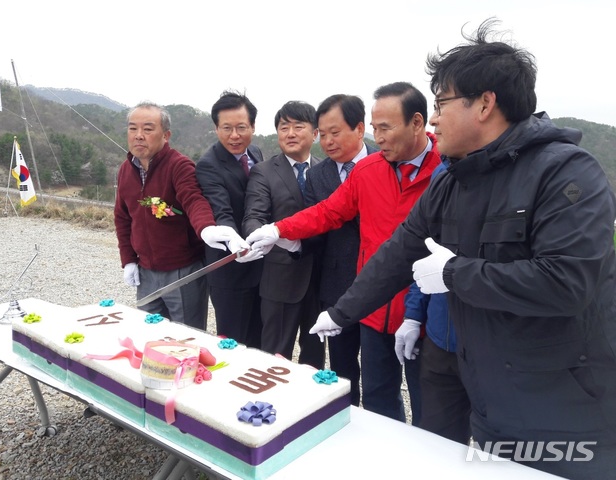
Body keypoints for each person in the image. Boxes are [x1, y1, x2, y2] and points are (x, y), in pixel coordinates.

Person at [309, 19, 616, 479]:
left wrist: (454, 274)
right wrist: (341, 313)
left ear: (485, 104)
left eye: (440, 104)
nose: (433, 118)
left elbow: (566, 283)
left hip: (563, 401)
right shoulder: (453, 178)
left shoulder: (568, 174)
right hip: (488, 389)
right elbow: (401, 250)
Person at [247, 83, 442, 422]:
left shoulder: (445, 172)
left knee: (431, 410)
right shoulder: (368, 171)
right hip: (372, 307)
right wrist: (277, 230)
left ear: (416, 122)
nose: (379, 138)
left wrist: (417, 314)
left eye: (385, 128)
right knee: (379, 400)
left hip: (424, 314)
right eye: (376, 127)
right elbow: (327, 212)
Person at [115, 101, 246, 329]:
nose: (138, 136)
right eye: (132, 128)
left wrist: (207, 229)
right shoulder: (126, 170)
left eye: (147, 129)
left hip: (183, 271)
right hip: (145, 272)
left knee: (186, 338)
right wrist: (128, 261)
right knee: (147, 334)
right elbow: (123, 218)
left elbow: (193, 199)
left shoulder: (179, 166)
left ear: (165, 135)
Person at [304, 94, 378, 406]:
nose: (328, 141)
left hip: (378, 282)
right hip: (336, 285)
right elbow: (313, 225)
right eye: (322, 135)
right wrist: (288, 240)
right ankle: (346, 420)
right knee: (344, 366)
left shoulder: (385, 162)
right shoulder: (317, 174)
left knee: (379, 369)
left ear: (359, 129)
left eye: (336, 132)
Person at [242, 101, 325, 368]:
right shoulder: (264, 171)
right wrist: (257, 236)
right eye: (283, 127)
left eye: (298, 127)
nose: (290, 133)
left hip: (322, 280)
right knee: (274, 357)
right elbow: (254, 215)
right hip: (280, 279)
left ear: (315, 134)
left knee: (315, 359)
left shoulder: (326, 170)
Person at [396, 160, 472, 445]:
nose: (435, 120)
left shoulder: (537, 171)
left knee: (503, 456)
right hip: (440, 342)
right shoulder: (444, 174)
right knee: (439, 442)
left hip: (495, 352)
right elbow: (426, 257)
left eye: (442, 111)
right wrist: (413, 316)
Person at [195, 91, 265, 348]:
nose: (234, 136)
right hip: (229, 269)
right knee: (233, 342)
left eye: (241, 127)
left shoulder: (255, 152)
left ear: (253, 127)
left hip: (260, 265)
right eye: (226, 128)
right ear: (216, 128)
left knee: (259, 340)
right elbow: (220, 210)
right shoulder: (209, 164)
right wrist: (234, 242)